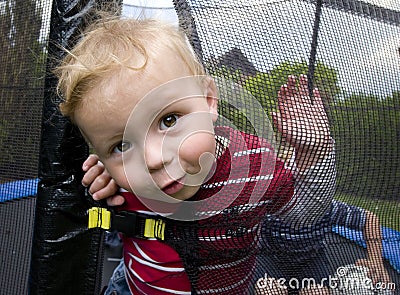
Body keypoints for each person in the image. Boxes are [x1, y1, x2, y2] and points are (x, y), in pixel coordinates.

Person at [56, 15, 335, 294]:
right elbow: (99, 215)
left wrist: (316, 155)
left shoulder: (253, 164)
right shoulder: (121, 181)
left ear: (208, 101)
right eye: (121, 146)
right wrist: (96, 190)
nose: (153, 160)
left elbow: (303, 215)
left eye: (169, 120)